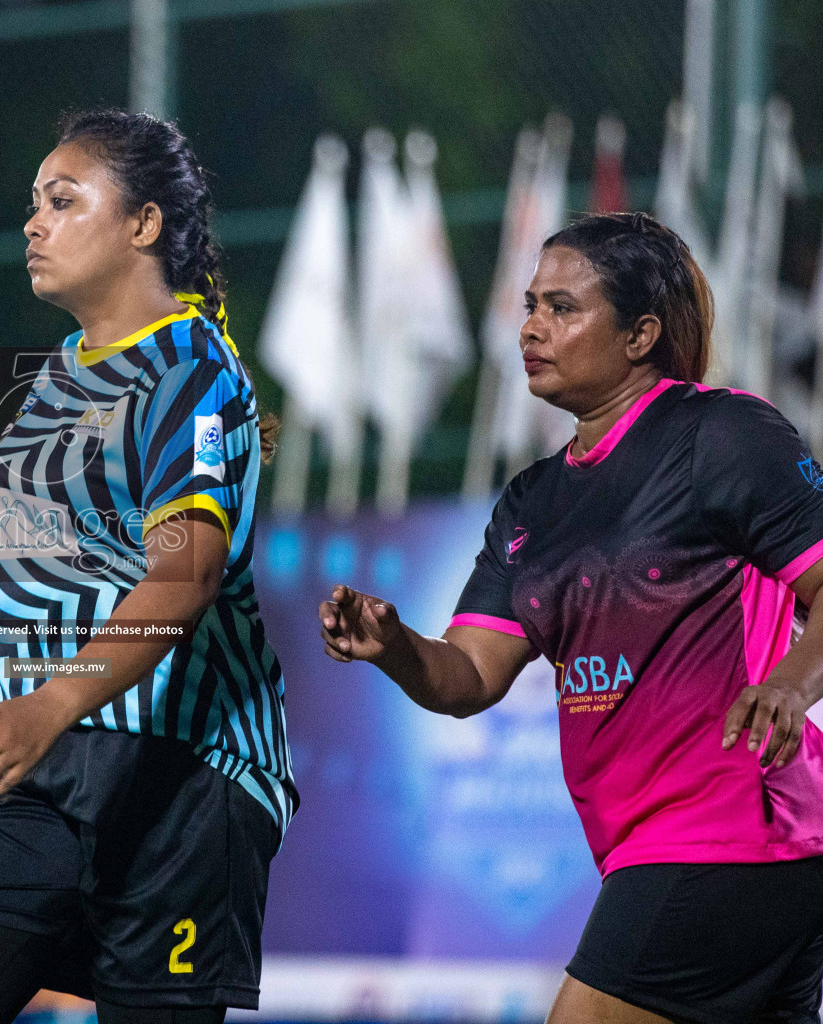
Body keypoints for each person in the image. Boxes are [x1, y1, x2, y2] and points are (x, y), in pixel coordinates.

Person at [319, 212, 823, 1024]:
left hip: (731, 828)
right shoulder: (533, 500)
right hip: (676, 852)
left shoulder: (719, 433)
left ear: (640, 335)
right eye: (528, 306)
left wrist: (793, 690)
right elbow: (469, 675)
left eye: (562, 308)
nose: (531, 329)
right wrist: (395, 646)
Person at [0, 109, 293, 1024]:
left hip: (181, 778)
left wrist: (54, 700)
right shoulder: (46, 385)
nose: (33, 222)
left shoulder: (193, 370)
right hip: (34, 772)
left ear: (143, 225)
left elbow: (183, 578)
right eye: (33, 204)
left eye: (62, 201)